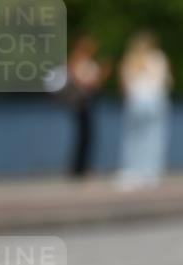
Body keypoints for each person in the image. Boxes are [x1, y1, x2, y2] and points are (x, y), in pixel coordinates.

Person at [44, 33, 111, 177]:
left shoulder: (87, 61)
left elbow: (95, 83)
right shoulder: (75, 59)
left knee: (88, 135)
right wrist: (94, 78)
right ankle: (78, 168)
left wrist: (101, 74)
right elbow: (78, 80)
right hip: (80, 102)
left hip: (88, 101)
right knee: (83, 135)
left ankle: (82, 167)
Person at [115, 31, 173, 189]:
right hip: (156, 100)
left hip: (136, 100)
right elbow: (167, 81)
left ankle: (131, 171)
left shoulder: (130, 58)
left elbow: (124, 85)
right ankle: (152, 171)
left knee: (133, 138)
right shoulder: (159, 58)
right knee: (155, 137)